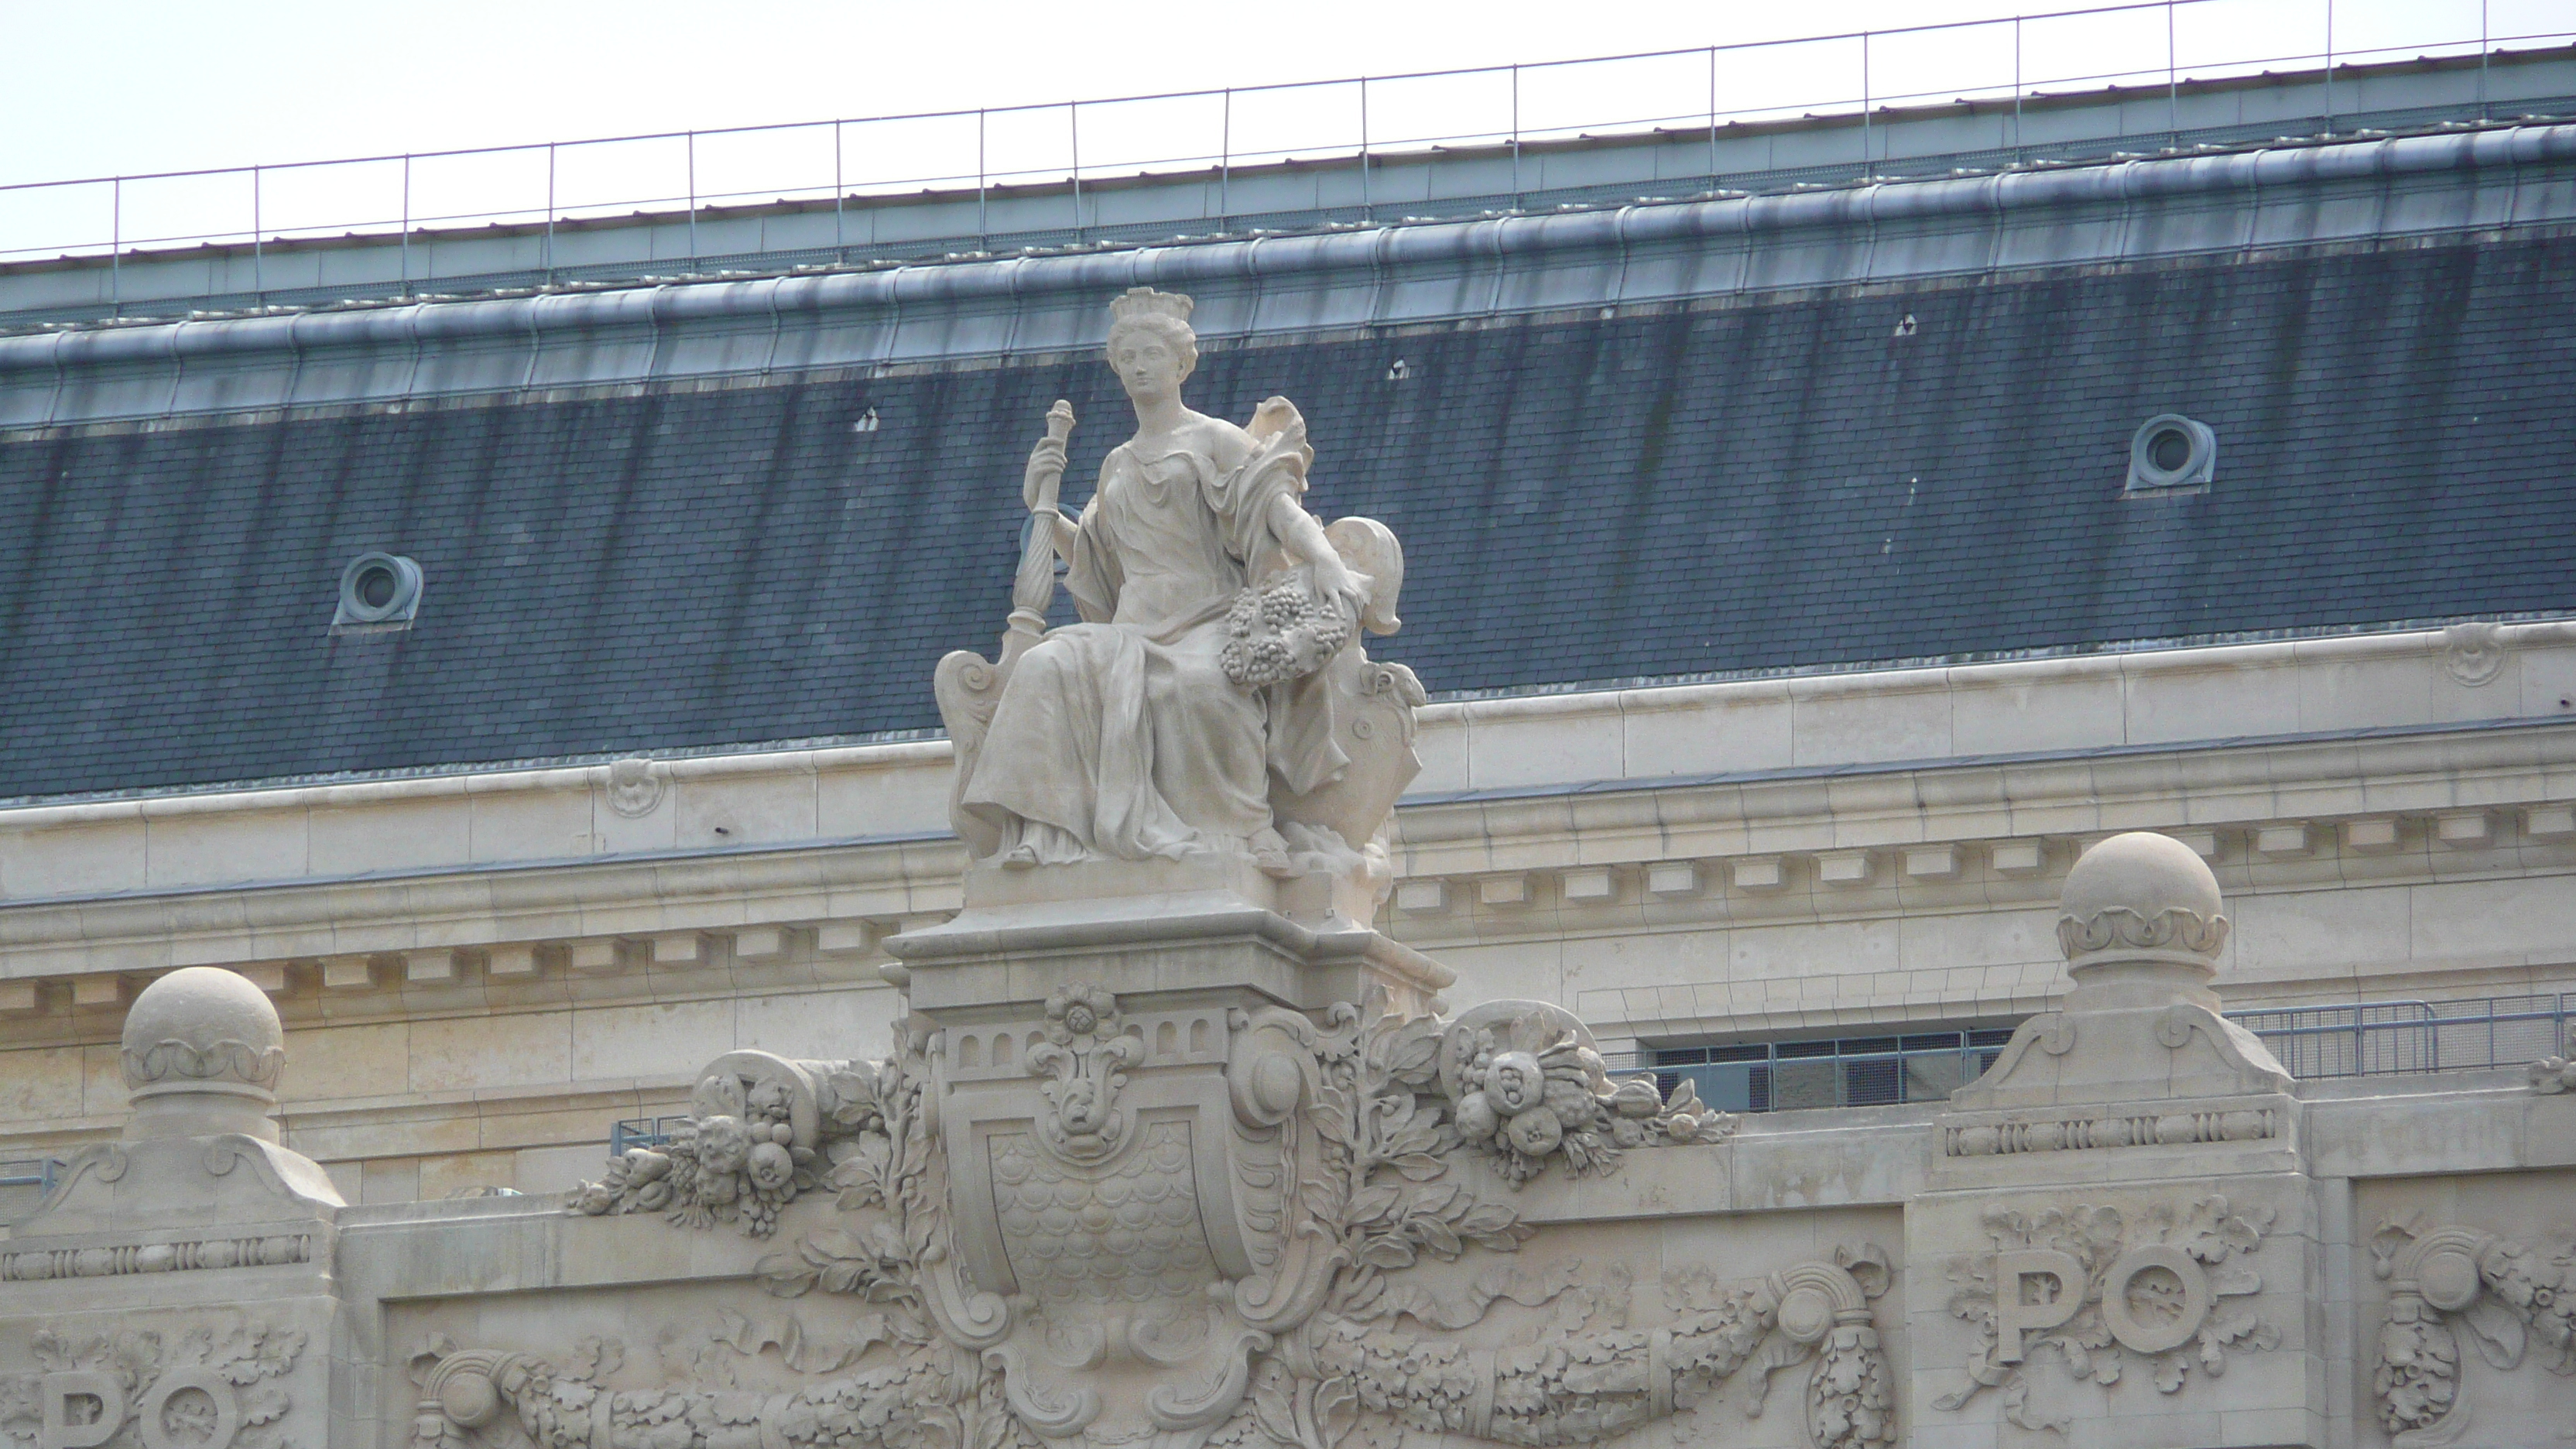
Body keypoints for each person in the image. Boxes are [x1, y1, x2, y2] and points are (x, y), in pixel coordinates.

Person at [957, 289, 1365, 874]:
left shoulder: (1217, 440)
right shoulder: (1117, 462)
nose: (1139, 367)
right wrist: (1041, 507)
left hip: (1206, 613)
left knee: (1200, 689)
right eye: (1128, 358)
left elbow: (1274, 508)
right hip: (1131, 624)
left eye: (1151, 354)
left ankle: (1246, 830)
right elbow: (1099, 561)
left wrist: (1323, 557)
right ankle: (1050, 835)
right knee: (1043, 668)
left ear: (1181, 364)